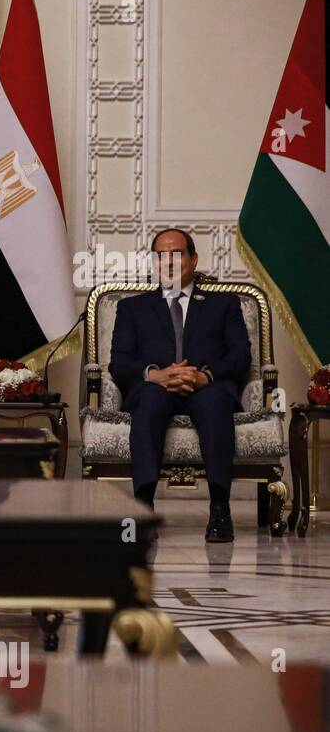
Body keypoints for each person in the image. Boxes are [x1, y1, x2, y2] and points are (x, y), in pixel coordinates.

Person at [108, 227, 249, 542]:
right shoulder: (132, 307)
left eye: (177, 253)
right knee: (149, 403)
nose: (169, 261)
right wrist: (155, 375)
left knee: (215, 405)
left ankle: (220, 509)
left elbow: (240, 357)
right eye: (162, 255)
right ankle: (143, 508)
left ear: (193, 258)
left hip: (207, 385)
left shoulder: (224, 304)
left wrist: (204, 376)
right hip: (155, 387)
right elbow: (119, 362)